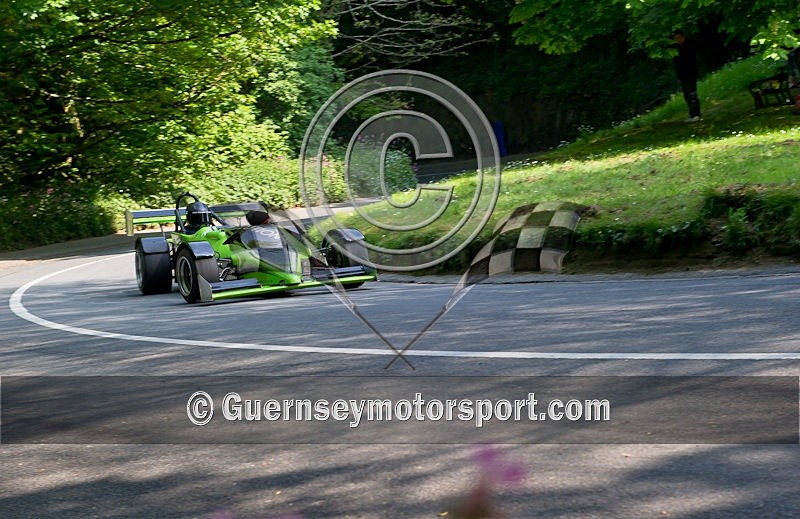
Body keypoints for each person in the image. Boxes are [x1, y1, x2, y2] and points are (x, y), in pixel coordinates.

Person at [673, 30, 701, 122]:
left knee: (692, 93)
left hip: (690, 73)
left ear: (682, 36)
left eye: (679, 38)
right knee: (687, 95)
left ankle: (696, 113)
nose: (678, 40)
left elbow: (691, 60)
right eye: (676, 39)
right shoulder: (679, 48)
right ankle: (692, 114)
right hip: (683, 75)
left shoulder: (690, 45)